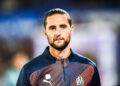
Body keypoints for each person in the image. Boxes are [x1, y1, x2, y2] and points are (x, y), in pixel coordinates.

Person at [17, 8, 101, 86]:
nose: (58, 32)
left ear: (71, 30)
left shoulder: (89, 67)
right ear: (45, 33)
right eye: (52, 28)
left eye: (63, 27)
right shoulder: (29, 70)